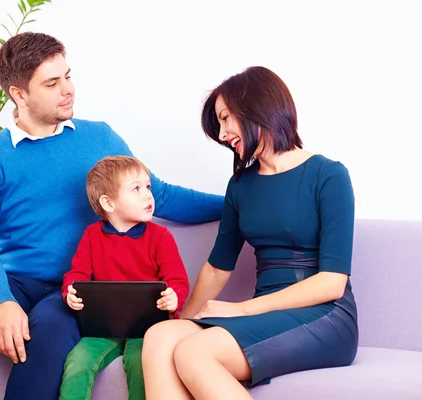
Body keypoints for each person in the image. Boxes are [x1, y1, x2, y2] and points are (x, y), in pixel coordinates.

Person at [0, 32, 225, 400]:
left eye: (67, 76)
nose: (68, 90)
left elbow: (158, 195)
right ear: (19, 94)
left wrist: (236, 203)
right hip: (14, 280)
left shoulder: (98, 138)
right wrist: (1, 300)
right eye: (52, 83)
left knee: (50, 326)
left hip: (76, 288)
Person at [141, 66, 358, 400]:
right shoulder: (241, 185)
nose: (224, 133)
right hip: (267, 313)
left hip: (326, 316)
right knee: (160, 338)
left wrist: (240, 309)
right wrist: (187, 318)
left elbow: (332, 283)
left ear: (259, 107)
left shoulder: (328, 175)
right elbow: (217, 268)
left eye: (227, 118)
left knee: (193, 352)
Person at [59, 155, 190, 400]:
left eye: (148, 187)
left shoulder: (160, 237)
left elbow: (178, 281)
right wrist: (71, 292)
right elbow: (76, 274)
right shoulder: (91, 236)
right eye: (136, 189)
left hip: (149, 330)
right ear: (108, 203)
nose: (147, 195)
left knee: (143, 366)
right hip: (103, 328)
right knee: (77, 363)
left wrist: (174, 297)